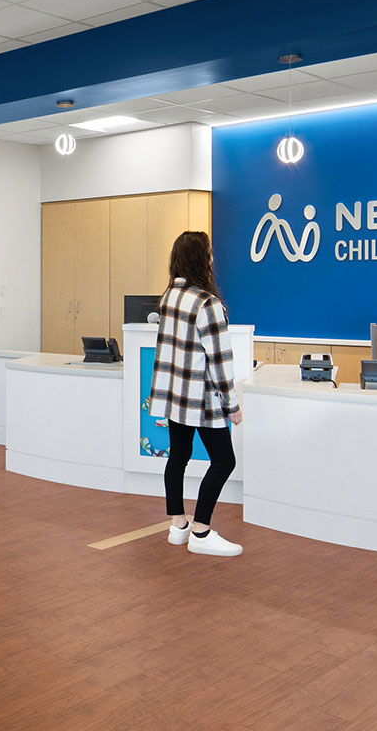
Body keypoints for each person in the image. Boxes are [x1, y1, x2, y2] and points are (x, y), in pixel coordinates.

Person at [149, 231, 242, 557]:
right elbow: (219, 359)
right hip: (201, 398)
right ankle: (201, 531)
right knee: (224, 460)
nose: (213, 260)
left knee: (179, 456)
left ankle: (179, 525)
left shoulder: (169, 297)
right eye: (209, 254)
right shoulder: (207, 303)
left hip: (176, 396)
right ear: (201, 260)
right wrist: (232, 403)